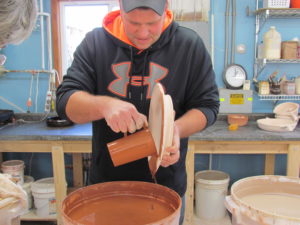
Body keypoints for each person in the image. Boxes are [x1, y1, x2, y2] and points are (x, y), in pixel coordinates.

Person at [56, 0, 219, 224]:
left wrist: (175, 129)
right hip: (107, 186)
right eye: (133, 23)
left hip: (166, 186)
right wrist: (105, 105)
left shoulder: (188, 45)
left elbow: (208, 106)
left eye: (152, 23)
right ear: (120, 9)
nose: (143, 33)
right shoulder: (95, 42)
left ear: (166, 9)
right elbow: (65, 102)